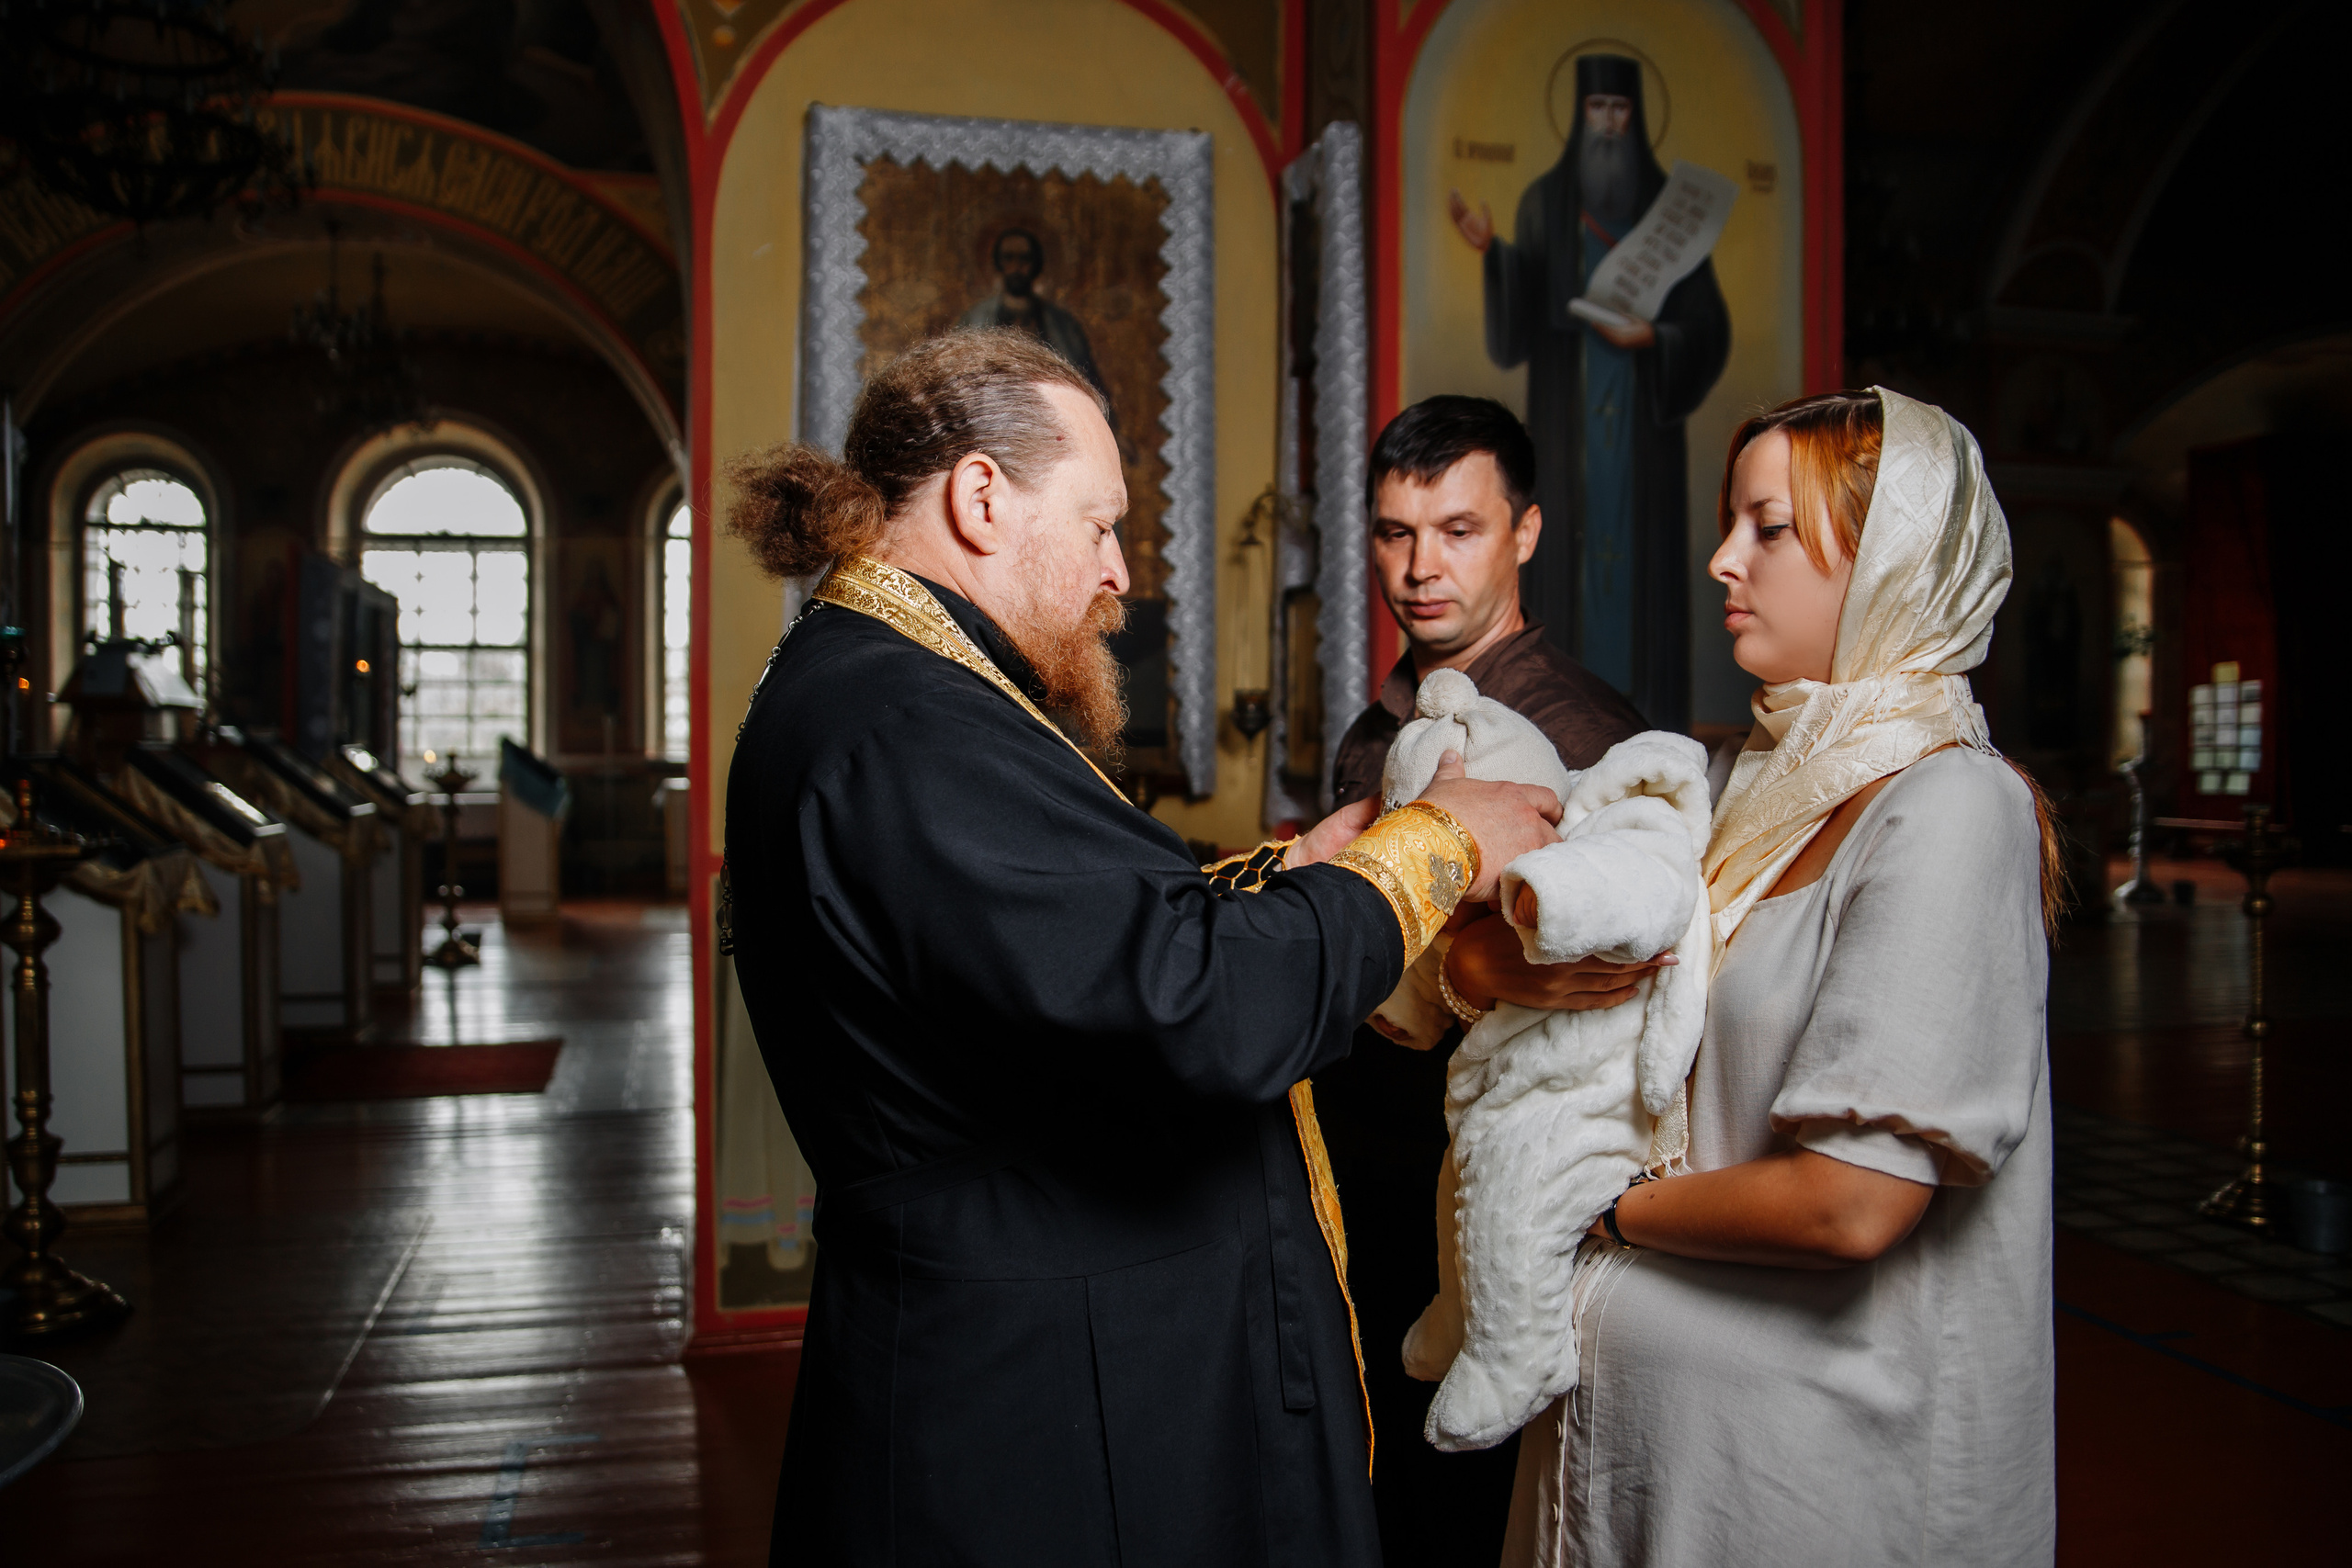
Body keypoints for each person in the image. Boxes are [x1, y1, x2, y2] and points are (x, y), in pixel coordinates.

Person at [721, 329, 1564, 1566]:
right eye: (1102, 522)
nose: (1119, 570)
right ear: (982, 497)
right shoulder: (906, 715)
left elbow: (1066, 931)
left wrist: (1291, 875)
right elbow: (1193, 1000)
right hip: (1040, 1396)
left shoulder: (898, 684)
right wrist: (1436, 843)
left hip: (1040, 1349)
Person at [1504, 387, 2061, 1565]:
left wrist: (1594, 1206)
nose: (1720, 560)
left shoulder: (1949, 808)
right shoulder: (1732, 775)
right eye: (1728, 523)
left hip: (1817, 1484)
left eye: (1768, 528)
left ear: (1888, 561)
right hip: (1658, 1457)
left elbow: (1849, 1203)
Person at [1315, 394, 1650, 1566]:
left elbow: (1622, 973)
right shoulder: (1384, 717)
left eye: (1458, 530)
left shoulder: (1580, 729)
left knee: (1471, 1491)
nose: (1418, 567)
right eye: (1395, 533)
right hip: (1369, 1154)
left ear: (1526, 533)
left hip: (1486, 1186)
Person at [1448, 54, 1731, 730]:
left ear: (1636, 119)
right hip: (1569, 422)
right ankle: (1558, 723)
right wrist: (1496, 256)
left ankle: (1646, 722)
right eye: (1597, 109)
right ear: (1579, 116)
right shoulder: (1545, 203)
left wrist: (1657, 338)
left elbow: (1707, 326)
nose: (1608, 123)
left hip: (1640, 435)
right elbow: (1522, 322)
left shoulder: (1674, 213)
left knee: (1636, 571)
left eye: (1620, 110)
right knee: (1567, 560)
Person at [958, 227, 1109, 397]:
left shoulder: (1063, 325)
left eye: (1025, 259)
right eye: (1009, 258)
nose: (1017, 266)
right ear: (999, 263)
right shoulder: (975, 318)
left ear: (1036, 263)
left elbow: (1084, 380)